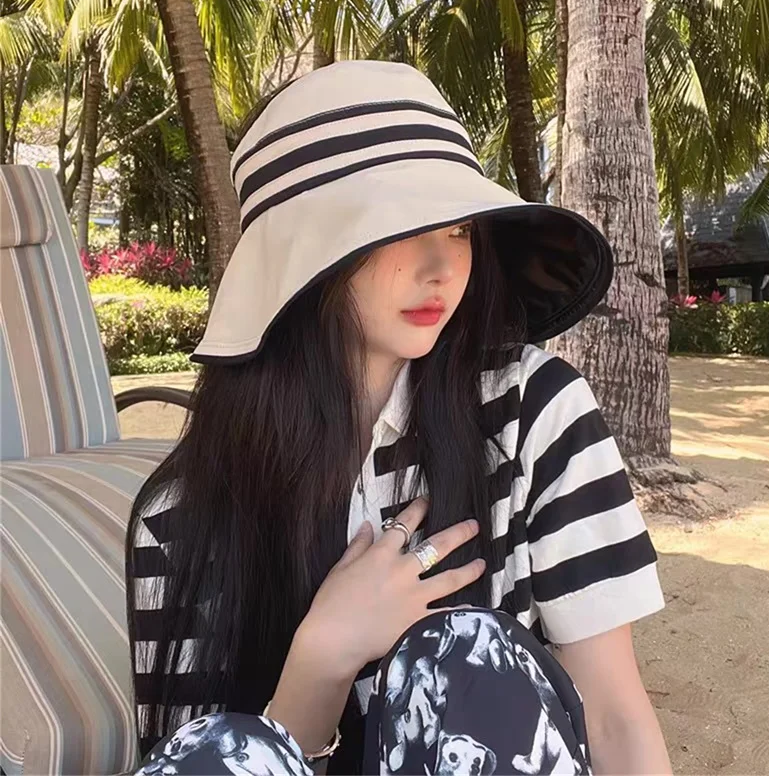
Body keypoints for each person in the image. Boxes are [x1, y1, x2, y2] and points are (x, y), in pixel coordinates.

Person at [124, 60, 671, 775]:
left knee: (463, 655)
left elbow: (615, 713)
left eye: (460, 230)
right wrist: (325, 654)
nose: (442, 267)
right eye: (400, 228)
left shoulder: (533, 413)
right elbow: (204, 759)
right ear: (301, 254)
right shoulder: (181, 515)